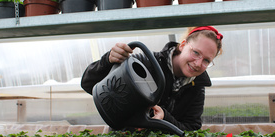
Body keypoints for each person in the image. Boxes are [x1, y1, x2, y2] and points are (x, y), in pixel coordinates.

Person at [81, 26, 223, 131]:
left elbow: (191, 129)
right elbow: (89, 85)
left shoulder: (196, 87)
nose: (198, 63)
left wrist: (165, 119)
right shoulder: (145, 63)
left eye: (206, 60)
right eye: (196, 53)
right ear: (183, 45)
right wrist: (108, 61)